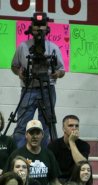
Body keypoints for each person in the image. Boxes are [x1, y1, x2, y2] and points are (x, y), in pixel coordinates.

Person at [11, 14, 65, 147]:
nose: (39, 28)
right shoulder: (23, 46)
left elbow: (62, 70)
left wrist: (57, 73)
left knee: (46, 125)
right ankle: (19, 157)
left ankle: (44, 156)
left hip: (47, 88)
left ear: (47, 27)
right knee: (22, 123)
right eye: (36, 25)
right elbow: (14, 65)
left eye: (42, 25)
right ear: (31, 27)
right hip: (28, 88)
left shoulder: (53, 48)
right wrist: (19, 72)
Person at [7, 120, 62, 185]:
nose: (34, 136)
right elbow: (6, 179)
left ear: (42, 135)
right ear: (26, 135)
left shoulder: (48, 154)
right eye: (31, 133)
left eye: (37, 133)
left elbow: (54, 182)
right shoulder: (17, 154)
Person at [48, 115, 90, 182]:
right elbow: (51, 170)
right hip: (59, 180)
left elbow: (82, 164)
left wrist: (72, 142)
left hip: (77, 181)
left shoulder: (84, 145)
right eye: (70, 125)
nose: (74, 128)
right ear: (63, 129)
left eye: (77, 126)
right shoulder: (53, 145)